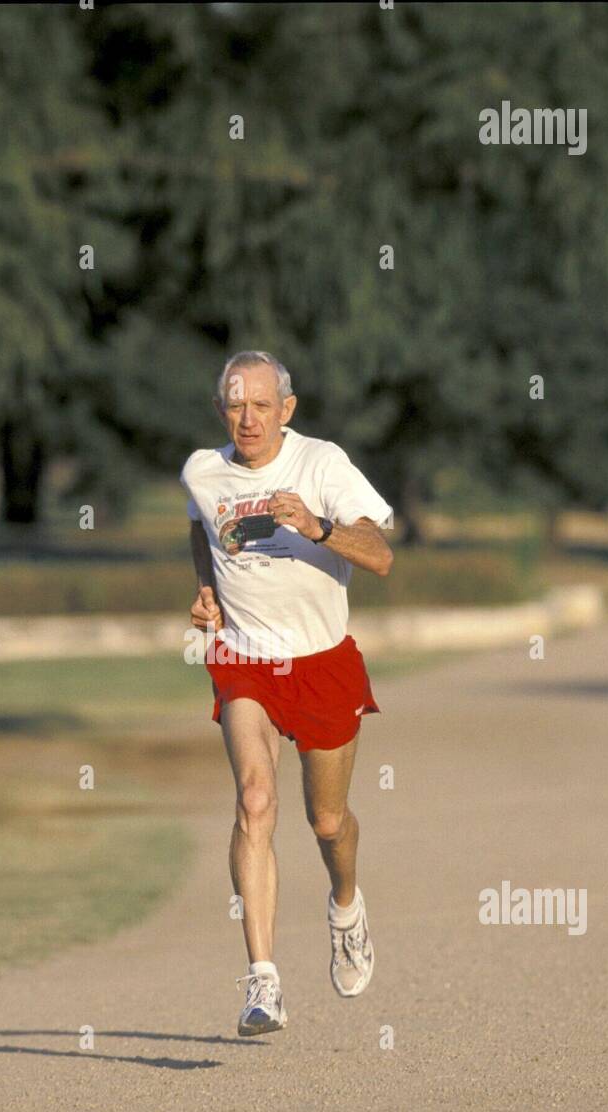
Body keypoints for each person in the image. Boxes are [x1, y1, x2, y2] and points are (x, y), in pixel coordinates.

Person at [181, 351, 394, 1036]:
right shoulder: (202, 471)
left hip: (322, 662)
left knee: (327, 823)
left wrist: (316, 527)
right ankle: (263, 983)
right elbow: (201, 524)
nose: (248, 418)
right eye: (236, 405)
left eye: (262, 405)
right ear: (224, 409)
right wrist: (206, 587)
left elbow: (382, 554)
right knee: (254, 799)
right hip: (243, 658)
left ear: (287, 410)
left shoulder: (322, 464)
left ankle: (345, 906)